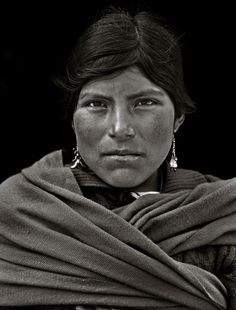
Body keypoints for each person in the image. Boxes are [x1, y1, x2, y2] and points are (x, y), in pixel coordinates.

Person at [0, 5, 236, 310]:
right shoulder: (16, 214)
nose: (120, 129)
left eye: (145, 102)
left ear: (178, 117)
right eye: (97, 104)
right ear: (73, 119)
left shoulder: (222, 218)